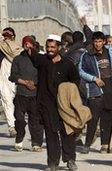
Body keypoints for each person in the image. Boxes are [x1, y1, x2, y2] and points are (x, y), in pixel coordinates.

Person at [27, 34, 79, 171]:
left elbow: (75, 82)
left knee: (67, 133)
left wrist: (72, 101)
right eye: (48, 47)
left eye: (53, 47)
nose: (50, 49)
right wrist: (29, 45)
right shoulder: (42, 61)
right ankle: (52, 163)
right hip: (46, 105)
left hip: (64, 105)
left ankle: (70, 160)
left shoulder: (68, 64)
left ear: (59, 47)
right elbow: (32, 55)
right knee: (51, 134)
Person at [79, 31, 112, 154]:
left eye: (100, 41)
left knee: (108, 118)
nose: (97, 44)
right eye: (95, 41)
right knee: (93, 119)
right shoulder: (87, 55)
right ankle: (87, 145)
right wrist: (94, 79)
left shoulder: (110, 53)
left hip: (109, 89)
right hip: (95, 90)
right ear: (93, 42)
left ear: (103, 42)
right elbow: (80, 71)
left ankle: (105, 145)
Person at [9, 36, 44, 152]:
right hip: (21, 95)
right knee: (19, 119)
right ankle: (19, 139)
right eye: (25, 44)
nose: (27, 46)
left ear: (34, 45)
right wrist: (25, 82)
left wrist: (34, 83)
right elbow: (13, 76)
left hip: (35, 95)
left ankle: (36, 143)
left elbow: (44, 75)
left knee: (35, 121)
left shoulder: (40, 59)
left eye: (30, 44)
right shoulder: (18, 59)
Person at [0, 27, 23, 137]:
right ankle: (13, 126)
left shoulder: (4, 47)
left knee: (9, 102)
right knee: (10, 101)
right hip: (11, 77)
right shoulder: (18, 49)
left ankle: (13, 125)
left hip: (10, 78)